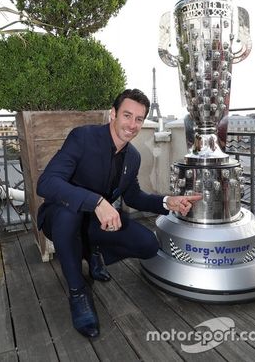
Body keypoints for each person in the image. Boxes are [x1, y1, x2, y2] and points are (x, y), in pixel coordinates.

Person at [36, 88, 202, 338]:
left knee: (147, 244)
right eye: (127, 115)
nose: (132, 124)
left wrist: (169, 201)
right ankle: (78, 292)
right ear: (112, 114)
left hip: (95, 222)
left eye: (139, 119)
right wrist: (96, 202)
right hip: (60, 217)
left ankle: (93, 254)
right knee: (68, 216)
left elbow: (134, 196)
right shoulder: (83, 137)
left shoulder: (132, 157)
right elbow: (46, 183)